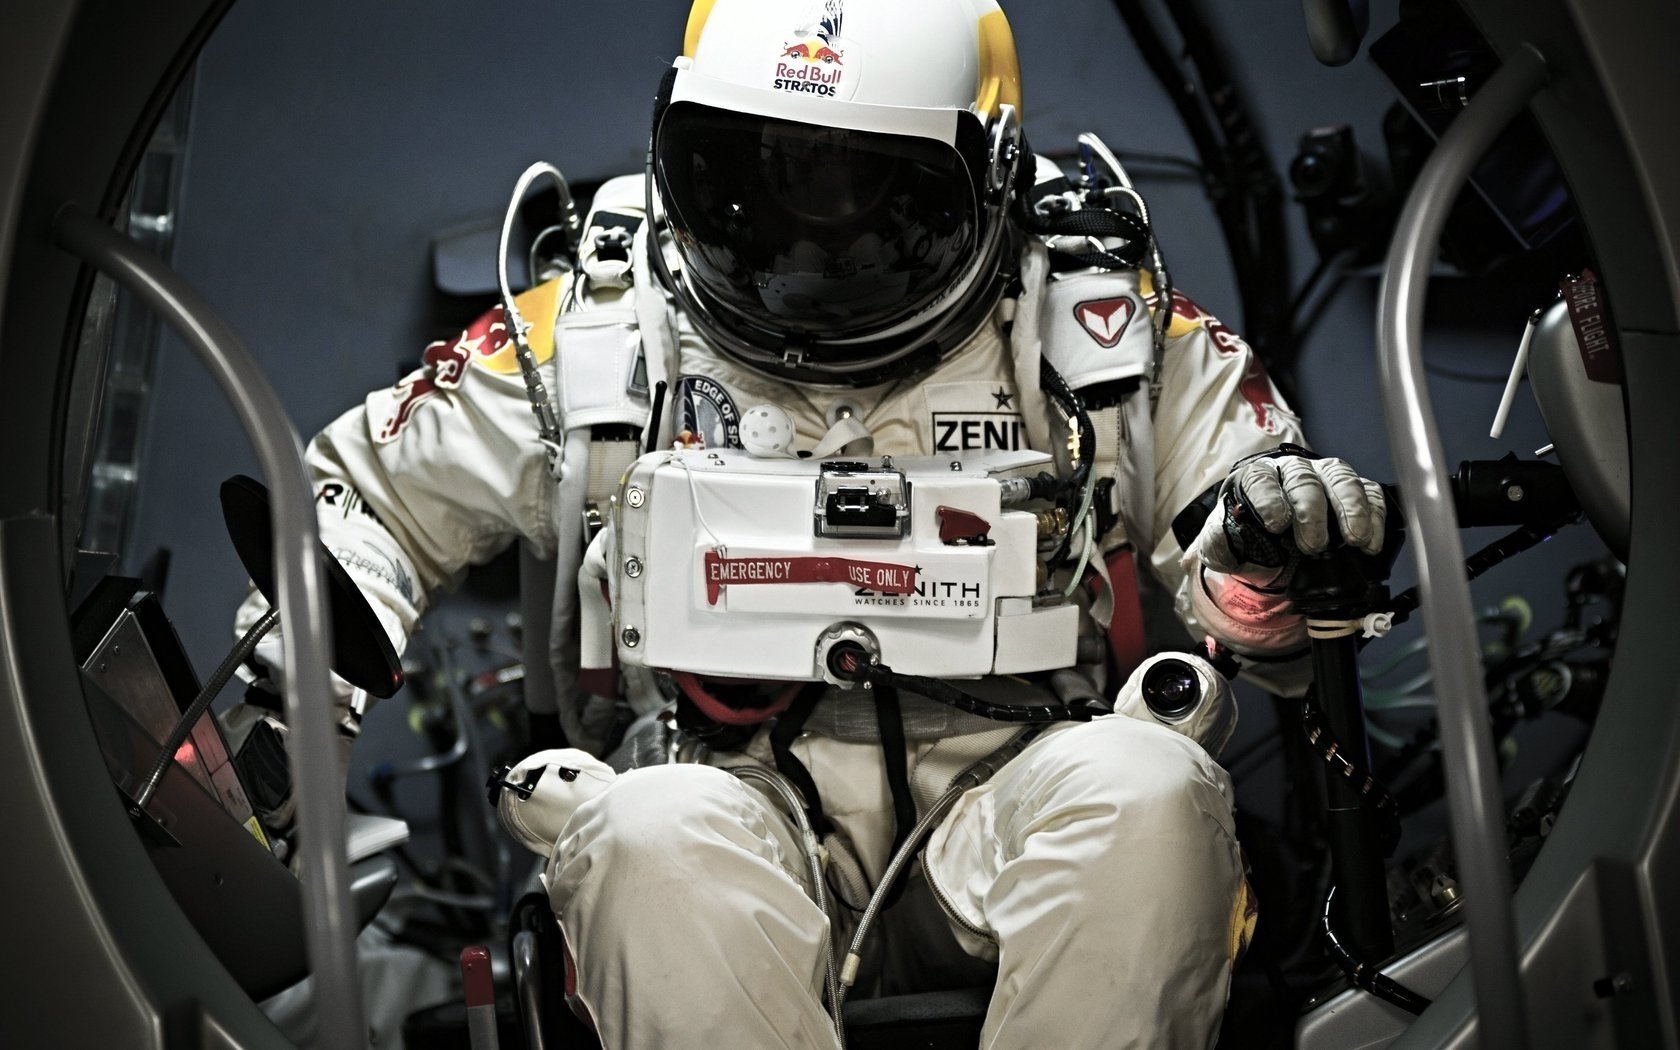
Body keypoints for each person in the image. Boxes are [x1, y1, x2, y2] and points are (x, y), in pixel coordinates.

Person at [237, 0, 1387, 1045]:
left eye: (872, 200)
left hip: (1012, 810)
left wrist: (1268, 564)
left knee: (1148, 789)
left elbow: (1252, 544)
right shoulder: (598, 331)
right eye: (758, 186)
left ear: (987, 173)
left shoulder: (1100, 321)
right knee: (649, 831)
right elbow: (365, 506)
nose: (807, 251)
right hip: (724, 806)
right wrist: (283, 720)